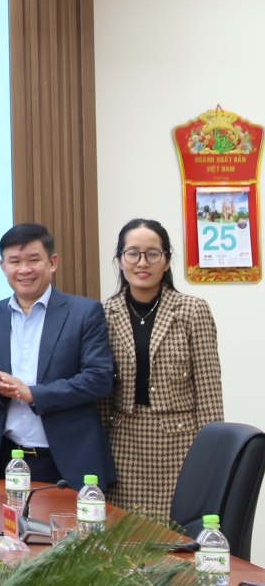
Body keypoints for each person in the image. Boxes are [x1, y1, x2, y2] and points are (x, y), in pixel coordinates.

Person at [0, 222, 114, 489]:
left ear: (52, 262)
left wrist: (34, 394)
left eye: (33, 259)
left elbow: (99, 379)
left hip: (69, 462)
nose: (24, 269)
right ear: (3, 266)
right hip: (7, 459)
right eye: (15, 261)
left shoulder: (84, 312)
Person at [100, 218, 223, 517]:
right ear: (120, 260)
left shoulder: (192, 311)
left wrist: (212, 456)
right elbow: (101, 397)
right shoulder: (104, 313)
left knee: (177, 533)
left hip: (180, 446)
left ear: (166, 261)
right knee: (124, 534)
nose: (142, 262)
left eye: (153, 254)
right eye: (133, 253)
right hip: (122, 446)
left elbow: (209, 392)